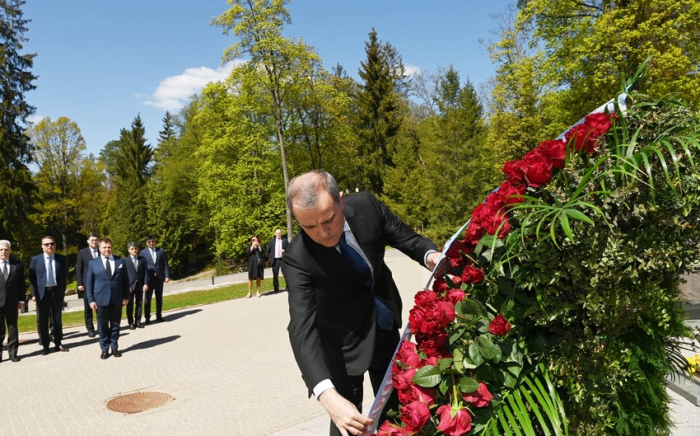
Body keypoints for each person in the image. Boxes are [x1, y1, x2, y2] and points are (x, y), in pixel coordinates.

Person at [284, 171, 441, 436]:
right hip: (342, 349)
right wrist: (327, 396)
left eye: (329, 219)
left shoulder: (367, 205)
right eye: (309, 227)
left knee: (396, 417)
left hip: (385, 326)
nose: (322, 233)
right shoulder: (297, 258)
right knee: (348, 422)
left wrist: (431, 255)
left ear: (341, 201)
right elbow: (301, 328)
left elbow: (407, 239)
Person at [85, 238, 129, 359]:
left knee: (115, 325)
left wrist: (126, 296)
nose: (107, 249)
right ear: (99, 249)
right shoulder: (93, 263)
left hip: (117, 299)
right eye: (104, 247)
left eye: (109, 247)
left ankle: (114, 347)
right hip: (100, 300)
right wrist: (91, 300)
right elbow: (89, 284)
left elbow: (125, 281)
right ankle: (104, 349)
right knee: (103, 326)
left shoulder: (120, 261)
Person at [29, 236, 69, 355]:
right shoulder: (36, 260)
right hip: (42, 293)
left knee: (57, 319)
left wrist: (62, 291)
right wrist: (34, 294)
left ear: (55, 245)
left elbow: (64, 276)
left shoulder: (61, 259)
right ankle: (45, 345)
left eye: (52, 243)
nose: (49, 246)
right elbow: (32, 279)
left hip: (56, 292)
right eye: (46, 244)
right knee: (42, 320)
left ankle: (58, 343)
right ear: (42, 246)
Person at [0, 240, 25, 362]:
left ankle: (13, 353)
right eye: (1, 249)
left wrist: (22, 300)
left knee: (12, 329)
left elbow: (21, 284)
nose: (3, 251)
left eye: (6, 249)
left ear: (10, 250)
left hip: (12, 302)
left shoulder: (17, 264)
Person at [140, 235, 170, 323]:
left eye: (152, 241)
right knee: (147, 299)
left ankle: (159, 316)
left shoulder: (160, 250)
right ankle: (147, 317)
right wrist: (143, 281)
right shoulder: (143, 253)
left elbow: (165, 264)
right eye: (149, 242)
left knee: (159, 298)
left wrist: (167, 275)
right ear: (146, 243)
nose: (151, 243)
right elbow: (142, 267)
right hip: (149, 279)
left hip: (159, 278)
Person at [75, 232, 100, 337]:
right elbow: (79, 269)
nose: (94, 242)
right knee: (88, 308)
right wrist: (80, 283)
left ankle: (101, 327)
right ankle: (90, 329)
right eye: (92, 240)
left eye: (96, 240)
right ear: (88, 241)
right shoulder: (82, 253)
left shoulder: (102, 251)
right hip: (87, 284)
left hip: (99, 284)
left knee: (100, 307)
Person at [124, 242, 149, 329]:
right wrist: (127, 287)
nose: (134, 250)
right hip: (130, 287)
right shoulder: (125, 261)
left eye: (135, 248)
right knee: (130, 305)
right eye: (132, 249)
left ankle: (138, 321)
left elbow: (146, 272)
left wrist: (146, 283)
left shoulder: (143, 259)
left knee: (139, 304)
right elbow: (124, 275)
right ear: (128, 250)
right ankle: (131, 322)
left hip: (140, 285)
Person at [265, 229, 288, 294]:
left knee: (286, 274)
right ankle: (276, 289)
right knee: (275, 275)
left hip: (282, 260)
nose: (278, 234)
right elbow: (268, 250)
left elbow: (289, 248)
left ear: (281, 234)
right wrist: (266, 259)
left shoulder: (285, 241)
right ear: (275, 234)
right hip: (275, 260)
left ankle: (288, 287)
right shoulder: (272, 241)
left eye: (279, 233)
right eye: (277, 233)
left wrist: (285, 250)